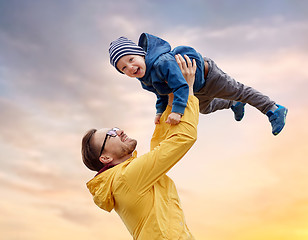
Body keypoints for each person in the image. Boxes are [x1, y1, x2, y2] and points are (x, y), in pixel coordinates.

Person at [81, 54, 198, 240]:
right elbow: (182, 139)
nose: (118, 131)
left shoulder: (126, 177)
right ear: (105, 158)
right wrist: (188, 91)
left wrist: (170, 102)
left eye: (114, 128)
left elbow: (160, 148)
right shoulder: (126, 178)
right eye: (111, 134)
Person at [109, 34, 288, 135]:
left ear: (141, 54)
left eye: (131, 59)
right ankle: (233, 104)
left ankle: (273, 108)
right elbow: (161, 94)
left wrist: (177, 112)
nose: (130, 67)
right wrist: (159, 112)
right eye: (123, 68)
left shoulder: (162, 62)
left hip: (208, 76)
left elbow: (180, 86)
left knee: (239, 91)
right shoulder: (144, 79)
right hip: (195, 88)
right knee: (204, 108)